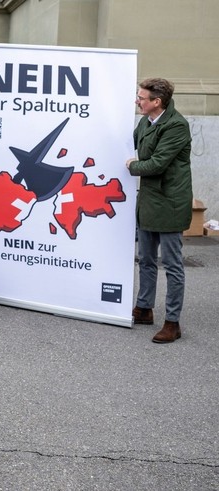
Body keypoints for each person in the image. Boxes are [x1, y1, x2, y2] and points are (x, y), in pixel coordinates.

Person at [126, 78, 193, 343]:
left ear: (157, 102)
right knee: (145, 258)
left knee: (173, 265)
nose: (137, 101)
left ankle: (172, 322)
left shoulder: (176, 125)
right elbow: (126, 143)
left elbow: (156, 164)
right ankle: (144, 308)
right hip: (149, 201)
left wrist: (132, 165)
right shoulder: (146, 121)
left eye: (141, 98)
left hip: (170, 203)